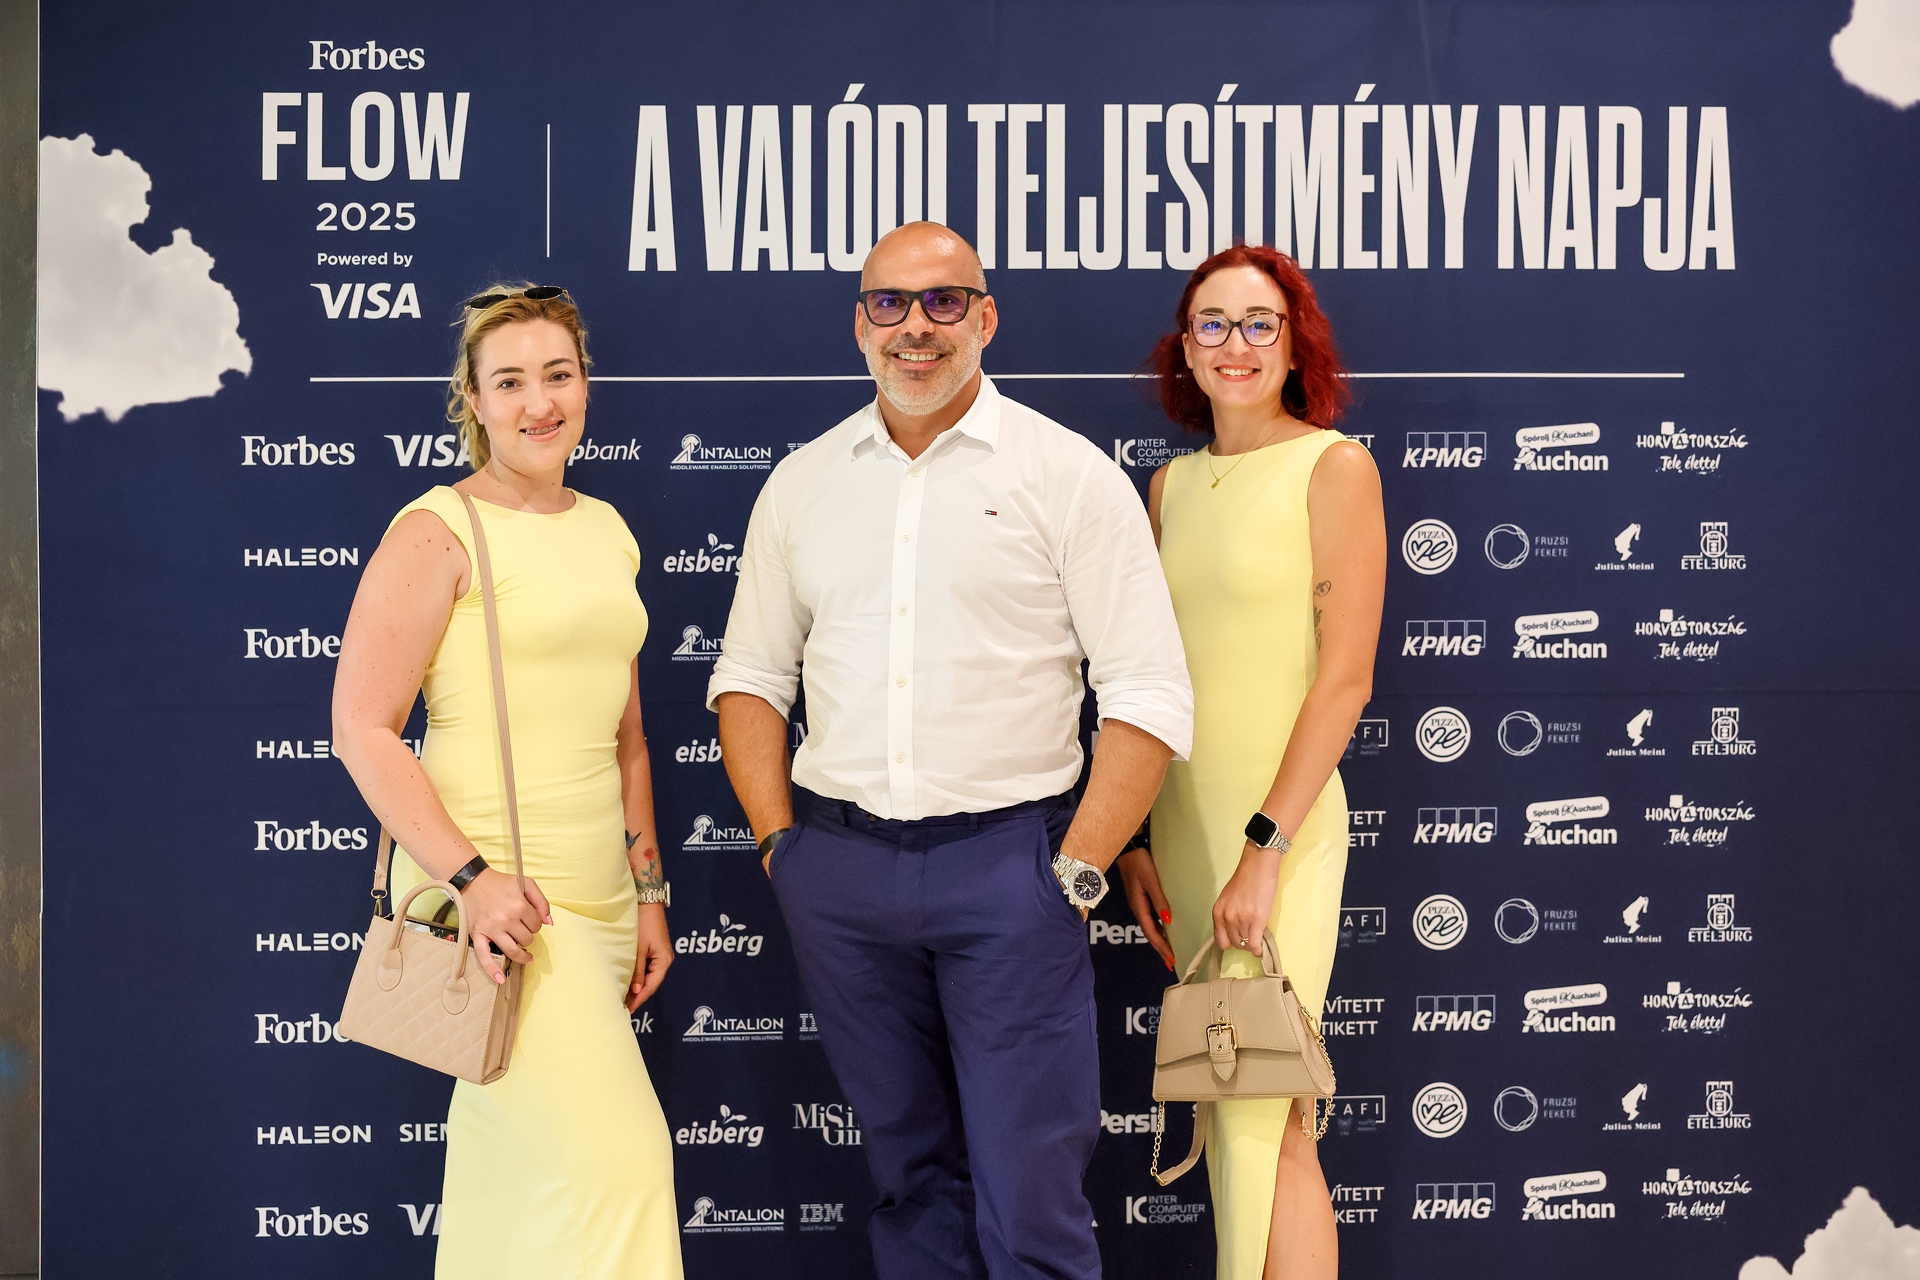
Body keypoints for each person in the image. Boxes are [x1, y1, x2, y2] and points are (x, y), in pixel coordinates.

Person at [708, 222, 1193, 1280]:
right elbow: (749, 677)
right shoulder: (804, 483)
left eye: (943, 302)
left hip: (1013, 871)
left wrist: (1076, 873)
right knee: (910, 1180)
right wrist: (784, 849)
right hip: (840, 870)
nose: (915, 327)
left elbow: (1148, 693)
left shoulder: (1068, 475)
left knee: (1031, 1196)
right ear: (860, 323)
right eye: (890, 303)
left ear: (986, 317)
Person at [332, 284, 683, 1280]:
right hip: (501, 909)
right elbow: (362, 728)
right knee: (625, 1171)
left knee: (511, 1189)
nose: (540, 402)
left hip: (599, 900)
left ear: (586, 385)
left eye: (558, 375)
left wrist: (648, 894)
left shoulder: (608, 529)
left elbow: (628, 738)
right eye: (511, 382)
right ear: (476, 401)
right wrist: (473, 881)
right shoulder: (438, 528)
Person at [1116, 246, 1384, 1280]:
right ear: (1186, 349)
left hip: (1280, 836)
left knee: (1273, 1113)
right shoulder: (1170, 486)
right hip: (1187, 835)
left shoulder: (1333, 467)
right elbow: (1147, 677)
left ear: (1294, 343)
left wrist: (1264, 849)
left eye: (1259, 322)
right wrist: (1136, 833)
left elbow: (1344, 681)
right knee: (1235, 1112)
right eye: (1213, 323)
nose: (1236, 344)